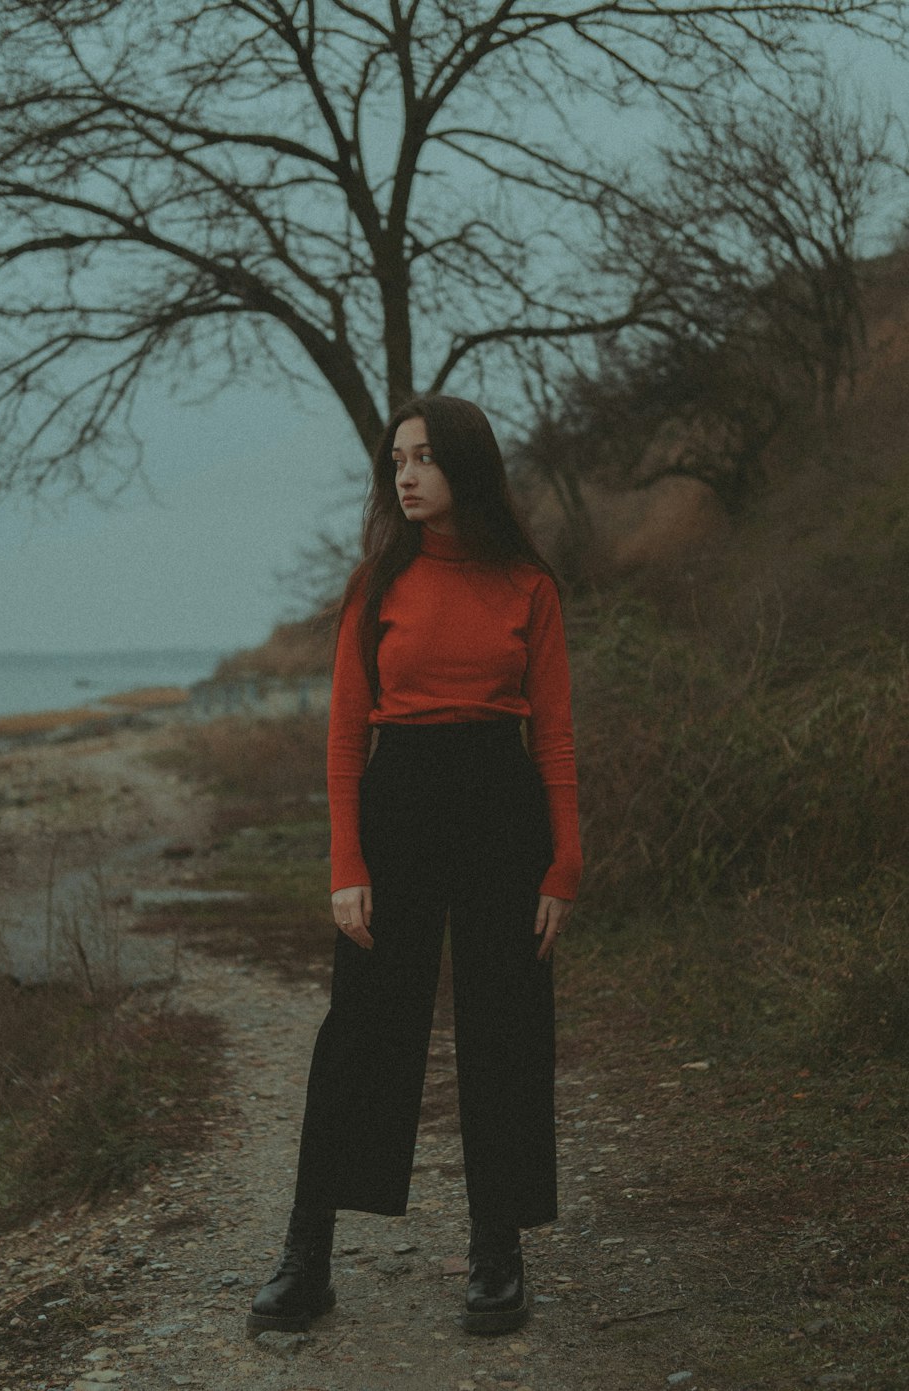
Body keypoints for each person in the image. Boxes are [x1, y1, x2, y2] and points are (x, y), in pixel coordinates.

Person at [248, 394, 582, 1337]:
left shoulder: (528, 584)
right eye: (397, 458)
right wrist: (345, 857)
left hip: (500, 803)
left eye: (426, 457)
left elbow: (554, 733)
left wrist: (565, 862)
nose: (405, 473)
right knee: (359, 1026)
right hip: (399, 803)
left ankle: (496, 1251)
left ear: (466, 467)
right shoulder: (376, 584)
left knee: (505, 1025)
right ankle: (306, 1256)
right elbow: (346, 733)